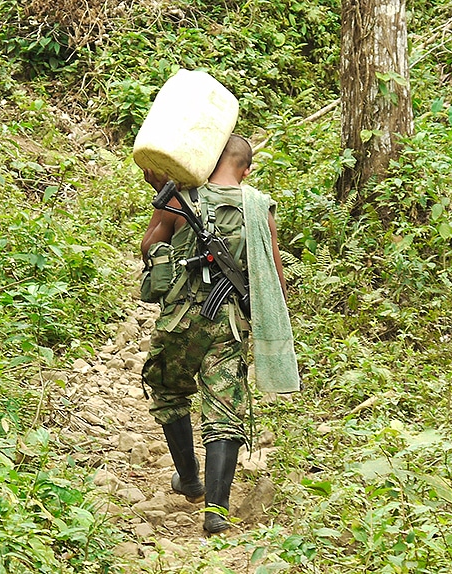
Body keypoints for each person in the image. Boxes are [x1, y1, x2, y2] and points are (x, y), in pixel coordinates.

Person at [139, 134, 286, 534]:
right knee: (226, 406)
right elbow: (273, 277)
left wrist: (166, 206)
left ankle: (189, 479)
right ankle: (216, 512)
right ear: (247, 170)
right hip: (229, 325)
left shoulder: (179, 198)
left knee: (169, 391)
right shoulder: (258, 207)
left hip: (180, 320)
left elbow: (149, 247)